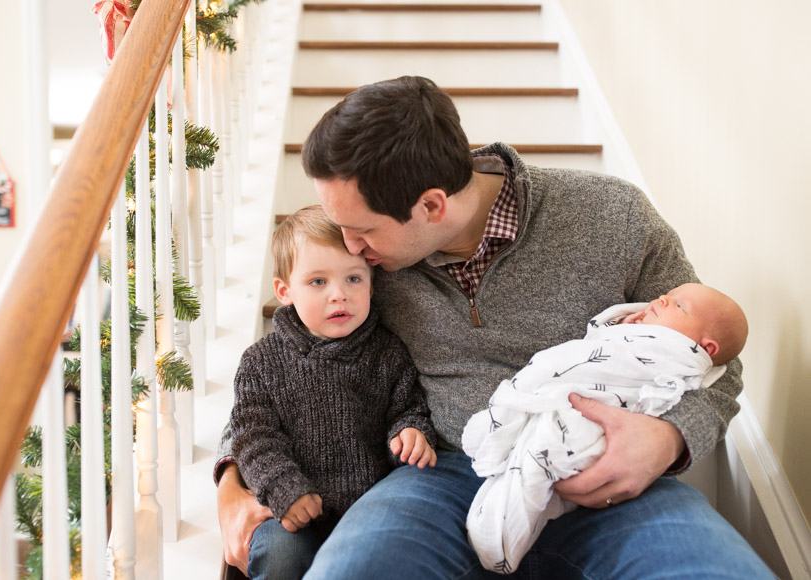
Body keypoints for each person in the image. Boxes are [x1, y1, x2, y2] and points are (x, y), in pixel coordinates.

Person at [217, 75, 774, 579]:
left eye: (362, 231)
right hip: (442, 473)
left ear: (432, 206)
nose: (349, 247)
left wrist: (670, 439)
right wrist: (229, 483)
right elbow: (285, 363)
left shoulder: (616, 217)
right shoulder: (364, 268)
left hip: (601, 476)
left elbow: (714, 363)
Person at [215, 205, 437, 580]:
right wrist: (283, 489)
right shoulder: (261, 362)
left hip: (368, 507)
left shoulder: (387, 353)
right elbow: (253, 437)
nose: (339, 295)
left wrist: (410, 434)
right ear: (285, 291)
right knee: (281, 556)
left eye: (353, 279)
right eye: (318, 282)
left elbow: (408, 409)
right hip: (288, 506)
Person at [463, 283, 748, 573]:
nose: (662, 298)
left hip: (615, 447)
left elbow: (723, 371)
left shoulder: (682, 353)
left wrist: (669, 436)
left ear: (704, 348)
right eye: (668, 296)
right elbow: (598, 338)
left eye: (677, 305)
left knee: (707, 565)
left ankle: (502, 528)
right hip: (442, 464)